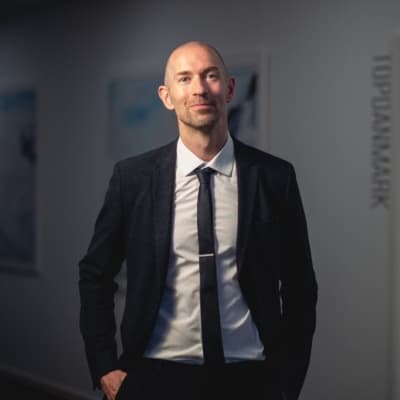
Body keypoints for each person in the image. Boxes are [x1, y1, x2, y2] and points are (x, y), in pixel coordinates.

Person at [79, 41, 317, 400]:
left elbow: (300, 286)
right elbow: (95, 274)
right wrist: (104, 366)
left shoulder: (274, 177)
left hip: (251, 379)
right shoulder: (133, 179)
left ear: (230, 88)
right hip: (154, 377)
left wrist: (288, 379)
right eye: (185, 78)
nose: (200, 89)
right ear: (166, 96)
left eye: (210, 76)